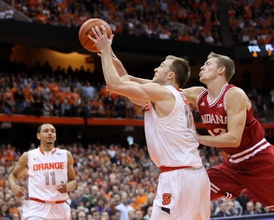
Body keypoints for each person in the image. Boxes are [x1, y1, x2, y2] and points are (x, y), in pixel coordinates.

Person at [118, 50, 274, 219]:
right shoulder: (198, 94)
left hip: (259, 160)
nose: (202, 67)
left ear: (221, 70)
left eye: (207, 64)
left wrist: (196, 137)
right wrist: (129, 79)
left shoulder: (234, 95)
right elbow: (164, 90)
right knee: (193, 192)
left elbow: (233, 139)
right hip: (233, 164)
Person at [89, 25, 210, 220]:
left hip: (177, 177)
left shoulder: (162, 94)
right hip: (196, 176)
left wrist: (103, 51)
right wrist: (109, 50)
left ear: (171, 75)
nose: (155, 68)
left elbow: (115, 84)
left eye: (161, 66)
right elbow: (126, 79)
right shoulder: (172, 96)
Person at [8, 123, 77, 220]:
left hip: (60, 206)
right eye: (46, 131)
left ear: (55, 136)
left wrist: (68, 186)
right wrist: (13, 186)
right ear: (38, 136)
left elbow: (73, 181)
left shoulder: (65, 155)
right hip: (37, 205)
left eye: (52, 131)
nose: (50, 133)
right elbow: (13, 175)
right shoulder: (29, 155)